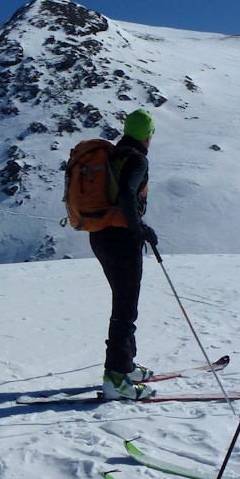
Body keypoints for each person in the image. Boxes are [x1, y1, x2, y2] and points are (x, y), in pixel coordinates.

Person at [90, 108, 160, 400]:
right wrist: (139, 228)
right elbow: (128, 194)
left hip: (100, 237)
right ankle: (116, 378)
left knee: (124, 304)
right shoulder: (136, 159)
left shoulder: (113, 155)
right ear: (147, 135)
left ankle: (125, 365)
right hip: (121, 240)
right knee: (125, 309)